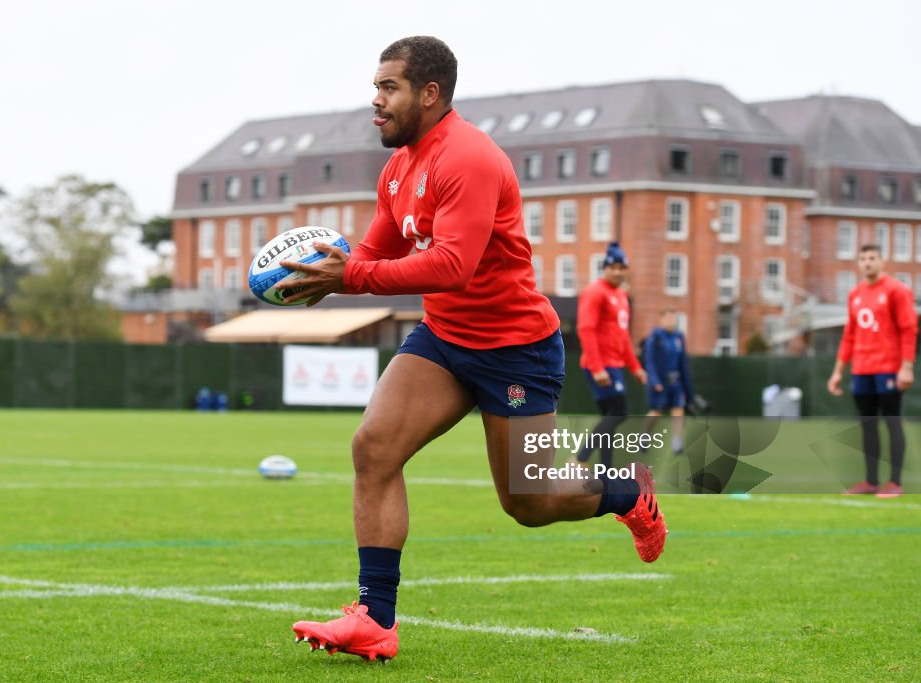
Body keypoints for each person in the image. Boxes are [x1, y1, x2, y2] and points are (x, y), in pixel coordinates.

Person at [278, 36, 666, 663]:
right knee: (373, 448)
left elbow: (453, 264)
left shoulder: (470, 158)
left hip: (516, 349)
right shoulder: (399, 167)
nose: (375, 101)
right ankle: (375, 619)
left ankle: (627, 489)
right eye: (376, 87)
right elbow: (377, 255)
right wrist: (328, 271)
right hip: (445, 340)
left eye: (388, 88)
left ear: (429, 93)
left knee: (530, 503)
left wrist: (350, 277)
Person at [827, 244, 916, 498]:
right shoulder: (855, 294)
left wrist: (906, 367)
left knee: (892, 420)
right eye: (863, 258)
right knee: (868, 423)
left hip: (889, 368)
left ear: (882, 261)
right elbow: (849, 336)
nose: (867, 262)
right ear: (858, 263)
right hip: (862, 370)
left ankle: (895, 482)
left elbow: (909, 329)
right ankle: (871, 481)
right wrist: (837, 372)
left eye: (872, 258)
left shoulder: (896, 290)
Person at [574, 242, 648, 465]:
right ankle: (579, 459)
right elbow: (585, 329)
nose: (617, 271)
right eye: (612, 267)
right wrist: (597, 368)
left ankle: (606, 471)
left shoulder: (622, 296)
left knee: (610, 418)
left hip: (614, 365)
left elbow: (623, 336)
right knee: (619, 412)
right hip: (601, 366)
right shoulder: (595, 292)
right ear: (604, 268)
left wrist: (634, 366)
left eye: (620, 267)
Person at [641, 309, 694, 455]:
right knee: (656, 411)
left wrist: (688, 389)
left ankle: (677, 442)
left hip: (675, 381)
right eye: (668, 318)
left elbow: (683, 363)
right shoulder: (655, 337)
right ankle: (644, 437)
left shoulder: (679, 337)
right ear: (662, 319)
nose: (671, 321)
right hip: (660, 381)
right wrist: (655, 381)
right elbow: (649, 361)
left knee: (678, 410)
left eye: (673, 318)